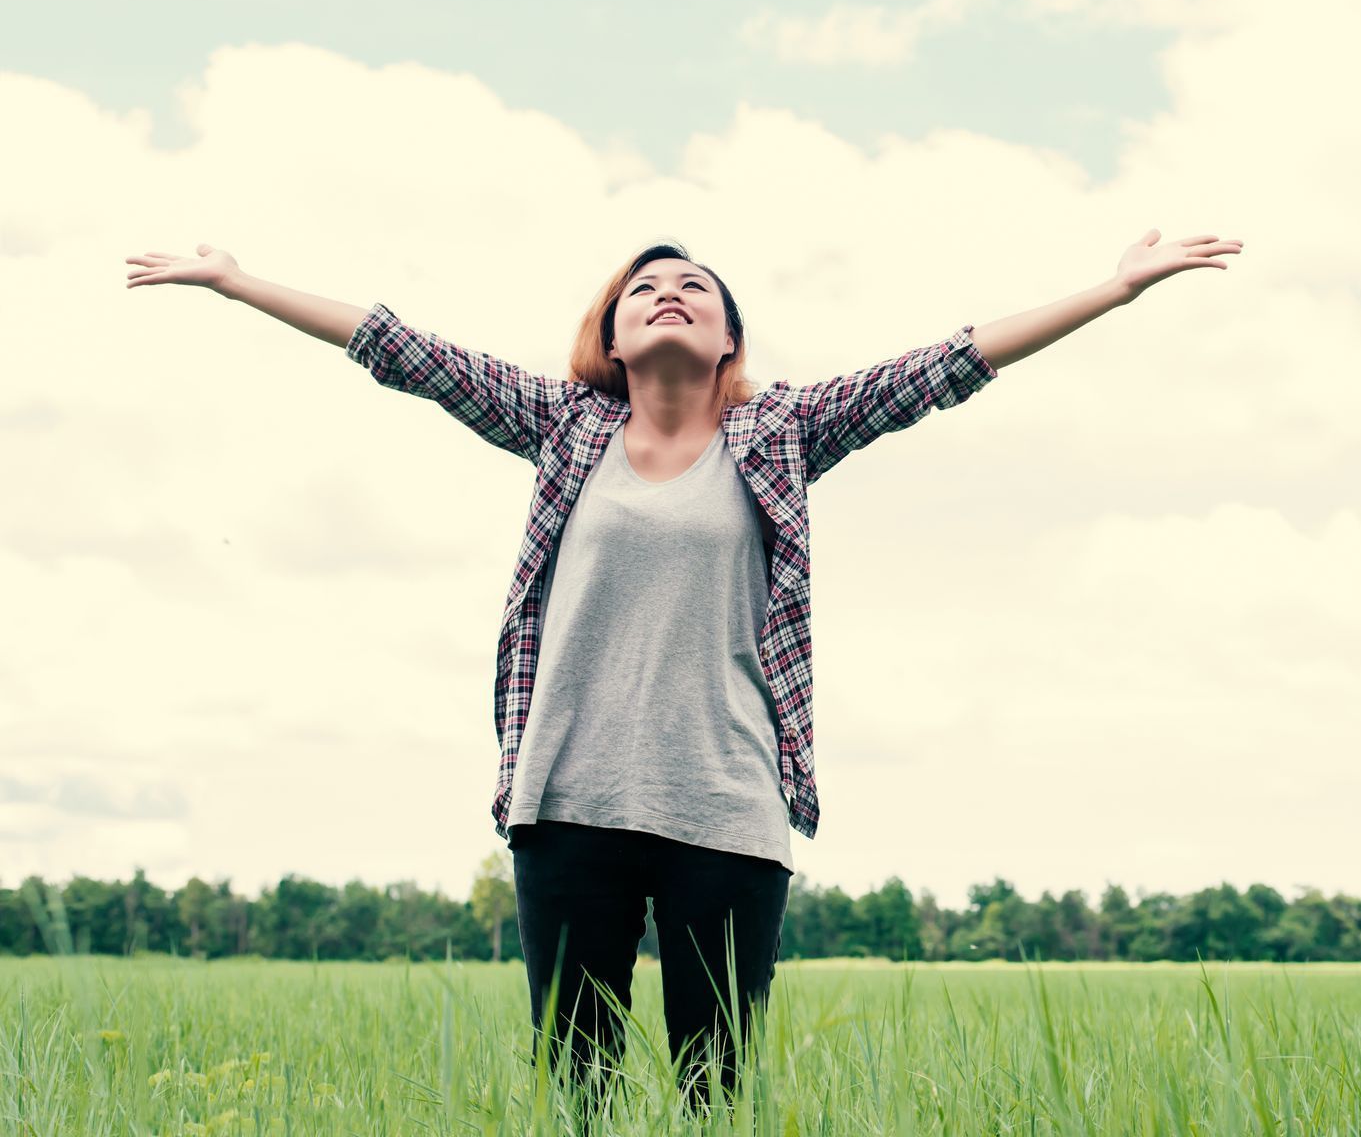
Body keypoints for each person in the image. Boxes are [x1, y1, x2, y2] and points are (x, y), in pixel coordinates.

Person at [123, 227, 1243, 1120]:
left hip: (726, 808)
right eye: (644, 284)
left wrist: (1114, 289)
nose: (669, 291)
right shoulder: (563, 427)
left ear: (726, 343)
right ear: (609, 335)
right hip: (566, 801)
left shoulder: (782, 434)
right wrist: (234, 281)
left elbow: (945, 366)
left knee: (715, 1093)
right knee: (578, 1090)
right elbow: (398, 348)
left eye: (695, 288)